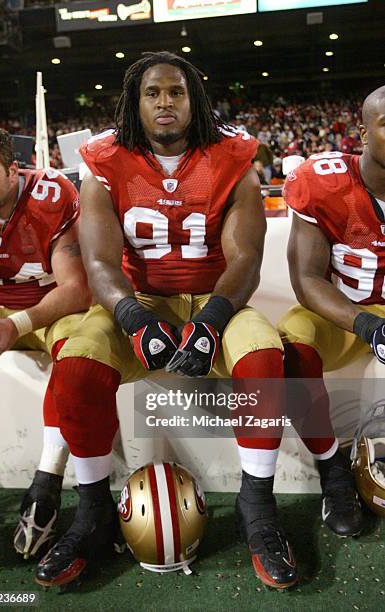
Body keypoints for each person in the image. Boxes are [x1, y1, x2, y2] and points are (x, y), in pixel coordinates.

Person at [34, 50, 297, 589]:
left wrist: (212, 321)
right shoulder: (104, 161)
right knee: (77, 366)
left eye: (176, 92)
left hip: (214, 298)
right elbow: (101, 262)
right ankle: (92, 511)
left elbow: (246, 256)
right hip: (142, 299)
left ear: (193, 98)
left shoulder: (233, 155)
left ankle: (256, 505)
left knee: (265, 354)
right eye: (152, 93)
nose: (164, 103)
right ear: (135, 102)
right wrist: (131, 316)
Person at [0, 115, 120, 583]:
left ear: (13, 171)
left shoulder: (51, 194)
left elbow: (76, 288)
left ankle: (47, 481)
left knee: (76, 352)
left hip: (53, 309)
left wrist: (13, 327)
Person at [277, 86, 385, 537]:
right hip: (346, 315)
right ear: (362, 133)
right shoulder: (324, 181)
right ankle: (331, 468)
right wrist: (368, 324)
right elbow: (307, 279)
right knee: (290, 341)